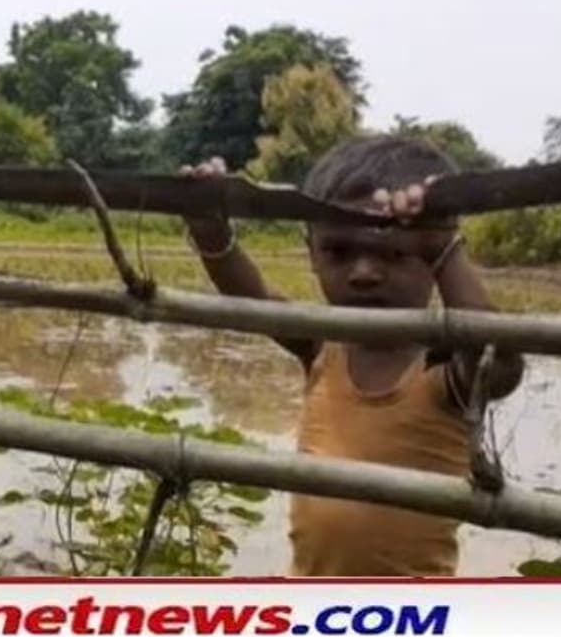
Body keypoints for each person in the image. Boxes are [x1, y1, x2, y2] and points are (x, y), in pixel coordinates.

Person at [179, 136, 525, 576]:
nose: (363, 273)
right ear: (312, 253)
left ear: (432, 258)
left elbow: (499, 361)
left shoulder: (441, 370)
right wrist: (212, 232)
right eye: (339, 252)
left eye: (394, 252)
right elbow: (253, 299)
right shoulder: (324, 346)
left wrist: (443, 248)